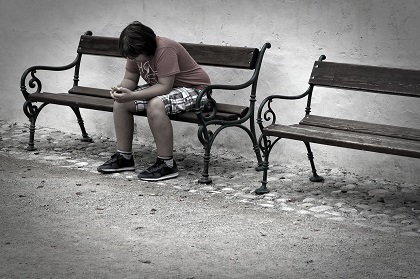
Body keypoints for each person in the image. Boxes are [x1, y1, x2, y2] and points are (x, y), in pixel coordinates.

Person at [97, 21, 210, 181]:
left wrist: (133, 95)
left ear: (146, 47)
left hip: (197, 90)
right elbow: (130, 79)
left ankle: (167, 164)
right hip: (168, 89)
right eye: (129, 56)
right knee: (121, 103)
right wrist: (121, 89)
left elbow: (164, 87)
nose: (132, 59)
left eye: (134, 56)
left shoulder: (164, 49)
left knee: (156, 104)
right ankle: (124, 157)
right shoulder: (134, 52)